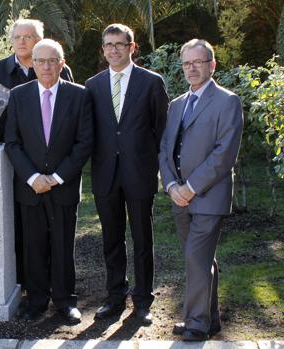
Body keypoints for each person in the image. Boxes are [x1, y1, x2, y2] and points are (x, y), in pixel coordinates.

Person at [159, 39, 243, 341]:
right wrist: (171, 185)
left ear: (212, 64)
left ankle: (195, 323)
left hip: (208, 196)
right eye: (187, 63)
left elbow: (224, 154)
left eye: (199, 62)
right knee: (199, 259)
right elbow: (166, 147)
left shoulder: (227, 101)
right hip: (178, 197)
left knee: (196, 257)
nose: (192, 68)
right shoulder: (177, 104)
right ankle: (211, 318)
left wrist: (191, 187)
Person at [85, 23, 168, 324]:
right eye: (108, 44)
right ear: (103, 49)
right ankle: (115, 296)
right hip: (105, 174)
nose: (114, 49)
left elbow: (162, 130)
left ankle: (143, 301)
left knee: (142, 239)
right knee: (111, 239)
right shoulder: (92, 86)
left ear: (132, 47)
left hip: (140, 172)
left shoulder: (151, 82)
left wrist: (161, 169)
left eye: (120, 44)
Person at [5, 39, 92, 325]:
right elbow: (12, 142)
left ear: (61, 64)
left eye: (51, 61)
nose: (45, 66)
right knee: (33, 246)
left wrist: (54, 178)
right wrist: (32, 177)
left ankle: (65, 302)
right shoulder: (18, 96)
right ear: (33, 64)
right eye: (39, 60)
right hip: (30, 189)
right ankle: (37, 302)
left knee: (63, 245)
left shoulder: (79, 96)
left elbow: (83, 143)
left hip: (62, 186)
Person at [0, 18, 75, 290]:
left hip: (60, 173)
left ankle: (59, 289)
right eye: (18, 37)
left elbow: (71, 120)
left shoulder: (62, 73)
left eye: (29, 37)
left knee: (59, 237)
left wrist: (57, 175)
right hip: (19, 168)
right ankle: (29, 287)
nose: (23, 41)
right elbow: (7, 132)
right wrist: (31, 174)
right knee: (26, 234)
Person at [0, 18, 74, 89]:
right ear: (11, 41)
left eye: (27, 37)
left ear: (39, 40)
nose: (21, 42)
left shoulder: (57, 68)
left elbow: (70, 99)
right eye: (17, 37)